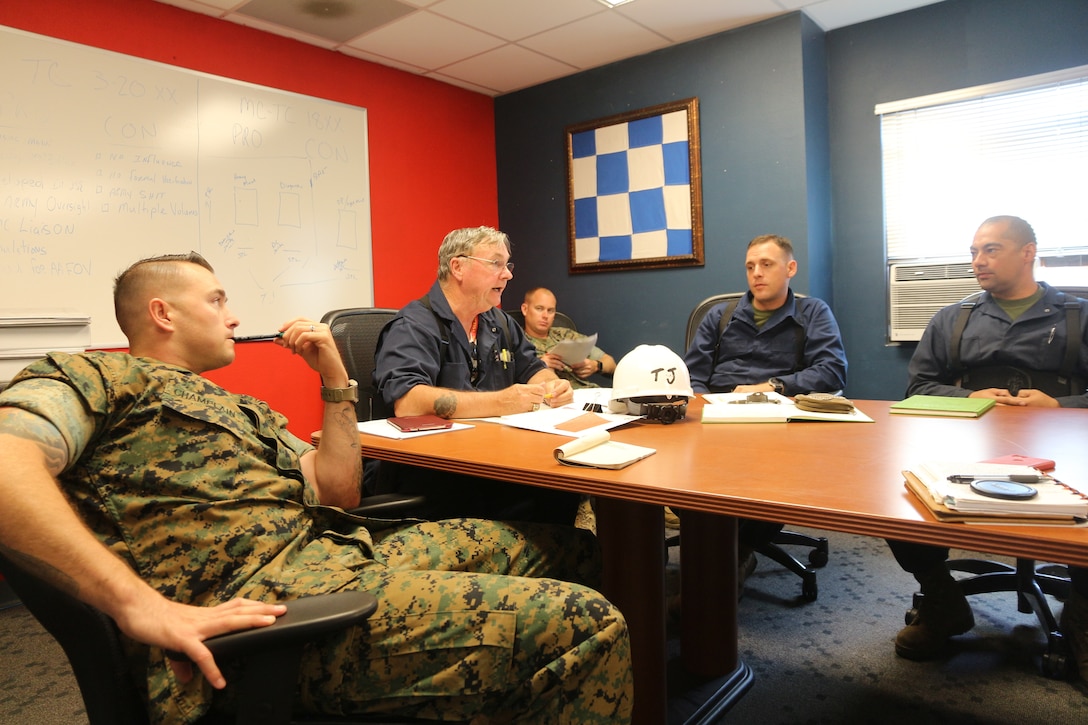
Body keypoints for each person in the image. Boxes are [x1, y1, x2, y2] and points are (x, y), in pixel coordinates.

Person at [0, 252, 633, 724]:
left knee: (573, 551)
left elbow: (339, 492)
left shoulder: (240, 409)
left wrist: (335, 378)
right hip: (265, 605)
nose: (236, 315)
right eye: (218, 300)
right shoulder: (95, 376)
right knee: (586, 622)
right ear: (162, 312)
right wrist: (139, 604)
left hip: (336, 549)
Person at [887, 215, 1088, 677]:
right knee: (894, 495)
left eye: (991, 250)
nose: (977, 261)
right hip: (967, 443)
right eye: (974, 252)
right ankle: (941, 600)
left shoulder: (1077, 316)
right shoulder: (954, 319)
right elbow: (917, 387)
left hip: (1064, 444)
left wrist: (1060, 404)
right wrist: (968, 396)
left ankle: (1082, 613)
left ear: (1028, 252)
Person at [372, 226, 581, 524]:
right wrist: (502, 402)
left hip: (491, 459)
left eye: (508, 265)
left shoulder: (499, 322)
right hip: (435, 473)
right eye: (496, 263)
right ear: (458, 266)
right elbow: (408, 402)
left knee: (564, 484)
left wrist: (552, 384)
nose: (507, 275)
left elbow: (532, 366)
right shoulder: (414, 325)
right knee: (552, 493)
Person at [683, 233, 848, 589]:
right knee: (680, 473)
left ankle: (734, 557)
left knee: (774, 483)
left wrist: (773, 385)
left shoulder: (813, 312)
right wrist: (699, 410)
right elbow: (692, 375)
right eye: (750, 266)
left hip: (780, 425)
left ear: (790, 268)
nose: (756, 273)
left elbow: (833, 371)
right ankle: (725, 548)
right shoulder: (720, 316)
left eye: (766, 264)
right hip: (718, 420)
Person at [521, 286, 617, 389]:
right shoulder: (517, 341)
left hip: (589, 392)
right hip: (554, 398)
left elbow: (610, 363)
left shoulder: (565, 335)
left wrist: (595, 366)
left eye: (550, 311)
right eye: (539, 309)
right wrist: (539, 365)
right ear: (525, 309)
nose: (545, 315)